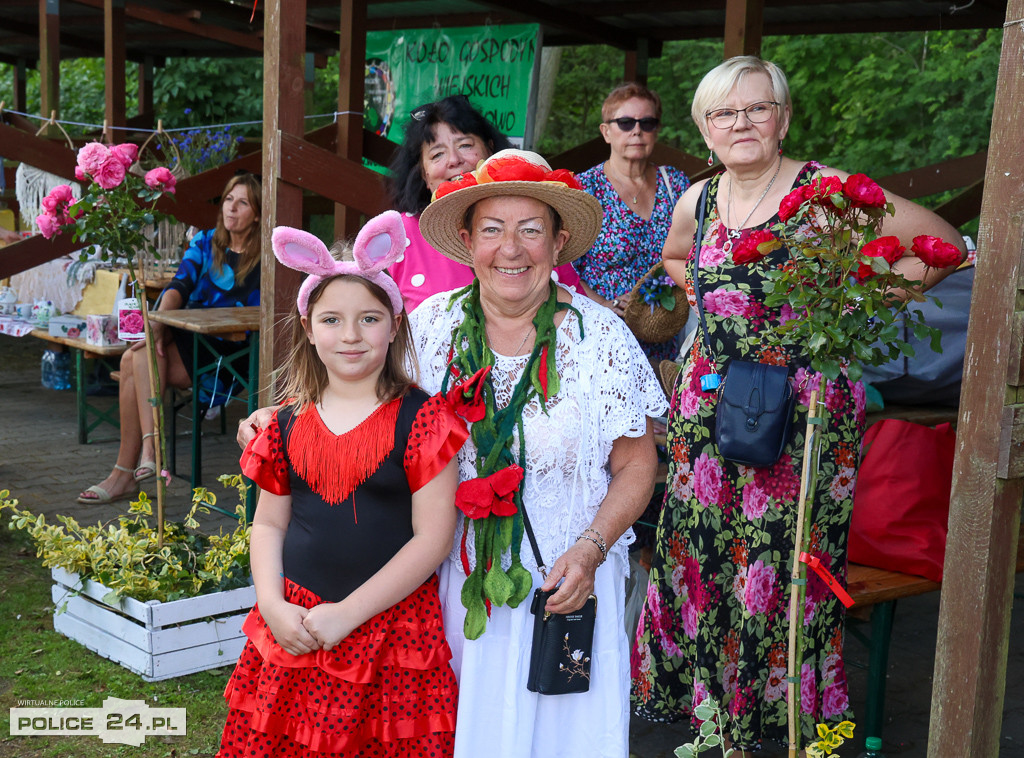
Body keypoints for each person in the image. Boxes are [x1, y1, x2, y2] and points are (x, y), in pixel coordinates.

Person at [241, 150, 667, 757]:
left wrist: (593, 546)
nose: (511, 249)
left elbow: (636, 463)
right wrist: (278, 419)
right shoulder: (429, 328)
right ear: (466, 241)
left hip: (569, 582)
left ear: (559, 240)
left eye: (530, 230)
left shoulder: (600, 338)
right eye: (492, 230)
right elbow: (357, 397)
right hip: (454, 591)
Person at [630, 56, 966, 753]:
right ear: (705, 127)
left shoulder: (832, 191)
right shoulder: (702, 196)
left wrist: (871, 297)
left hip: (805, 408)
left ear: (781, 117)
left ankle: (784, 719)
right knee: (705, 551)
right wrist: (704, 290)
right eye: (724, 112)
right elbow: (673, 256)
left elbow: (946, 246)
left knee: (787, 558)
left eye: (757, 108)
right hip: (712, 401)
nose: (741, 123)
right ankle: (714, 714)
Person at [218, 211, 468, 757]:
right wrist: (272, 605)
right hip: (296, 625)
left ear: (396, 323)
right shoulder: (283, 424)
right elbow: (268, 523)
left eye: (369, 319)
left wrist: (348, 614)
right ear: (308, 329)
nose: (350, 336)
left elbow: (432, 539)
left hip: (390, 632)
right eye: (331, 320)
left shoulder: (424, 421)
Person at [77, 172, 262, 504]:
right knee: (140, 351)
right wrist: (160, 322)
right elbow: (179, 286)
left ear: (258, 213)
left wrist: (160, 328)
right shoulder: (205, 242)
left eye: (243, 202)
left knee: (133, 359)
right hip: (188, 339)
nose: (231, 209)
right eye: (228, 200)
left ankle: (132, 466)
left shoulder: (264, 260)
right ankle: (144, 456)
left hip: (229, 356)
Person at [385, 94, 583, 311]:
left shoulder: (535, 221)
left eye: (465, 145)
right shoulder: (398, 234)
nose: (454, 160)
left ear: (490, 150)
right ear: (424, 174)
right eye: (437, 154)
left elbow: (575, 299)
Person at [576, 83, 691, 361]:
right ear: (606, 132)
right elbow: (562, 266)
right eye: (625, 123)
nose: (637, 131)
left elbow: (693, 254)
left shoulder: (675, 183)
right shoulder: (583, 188)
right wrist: (602, 305)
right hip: (600, 336)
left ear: (656, 131)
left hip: (664, 337)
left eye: (647, 122)